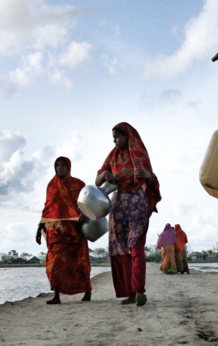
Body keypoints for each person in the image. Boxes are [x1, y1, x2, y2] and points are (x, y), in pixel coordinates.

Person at [95, 122, 161, 306]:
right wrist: (106, 174)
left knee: (136, 247)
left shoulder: (139, 154)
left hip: (137, 202)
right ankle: (130, 293)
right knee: (121, 250)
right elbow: (97, 179)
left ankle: (139, 290)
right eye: (113, 138)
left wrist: (147, 175)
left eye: (117, 137)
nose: (115, 141)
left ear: (127, 136)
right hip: (118, 206)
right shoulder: (112, 156)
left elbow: (152, 178)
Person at [36, 156, 92, 304]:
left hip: (75, 230)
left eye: (63, 165)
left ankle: (88, 292)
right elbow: (47, 208)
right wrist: (39, 229)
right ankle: (56, 296)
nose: (60, 168)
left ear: (68, 167)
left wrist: (83, 215)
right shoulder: (51, 186)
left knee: (80, 261)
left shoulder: (78, 185)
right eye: (57, 165)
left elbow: (86, 203)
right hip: (55, 231)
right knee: (55, 263)